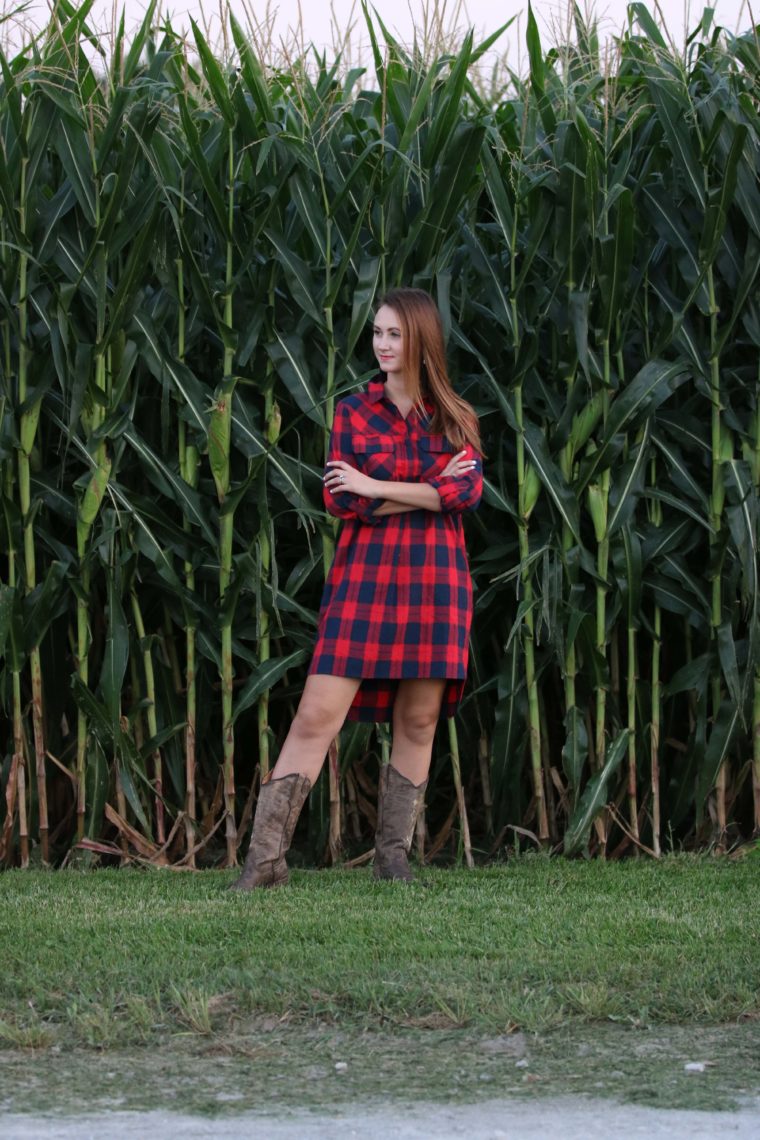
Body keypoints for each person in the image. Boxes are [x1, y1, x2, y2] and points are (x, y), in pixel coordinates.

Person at [231, 287, 482, 889]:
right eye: (377, 333)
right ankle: (264, 863)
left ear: (421, 340)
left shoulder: (457, 419)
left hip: (436, 581)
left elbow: (464, 495)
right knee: (317, 713)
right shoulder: (352, 413)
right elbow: (340, 498)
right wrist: (412, 489)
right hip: (365, 579)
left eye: (395, 334)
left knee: (419, 721)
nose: (383, 345)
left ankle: (392, 861)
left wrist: (375, 487)